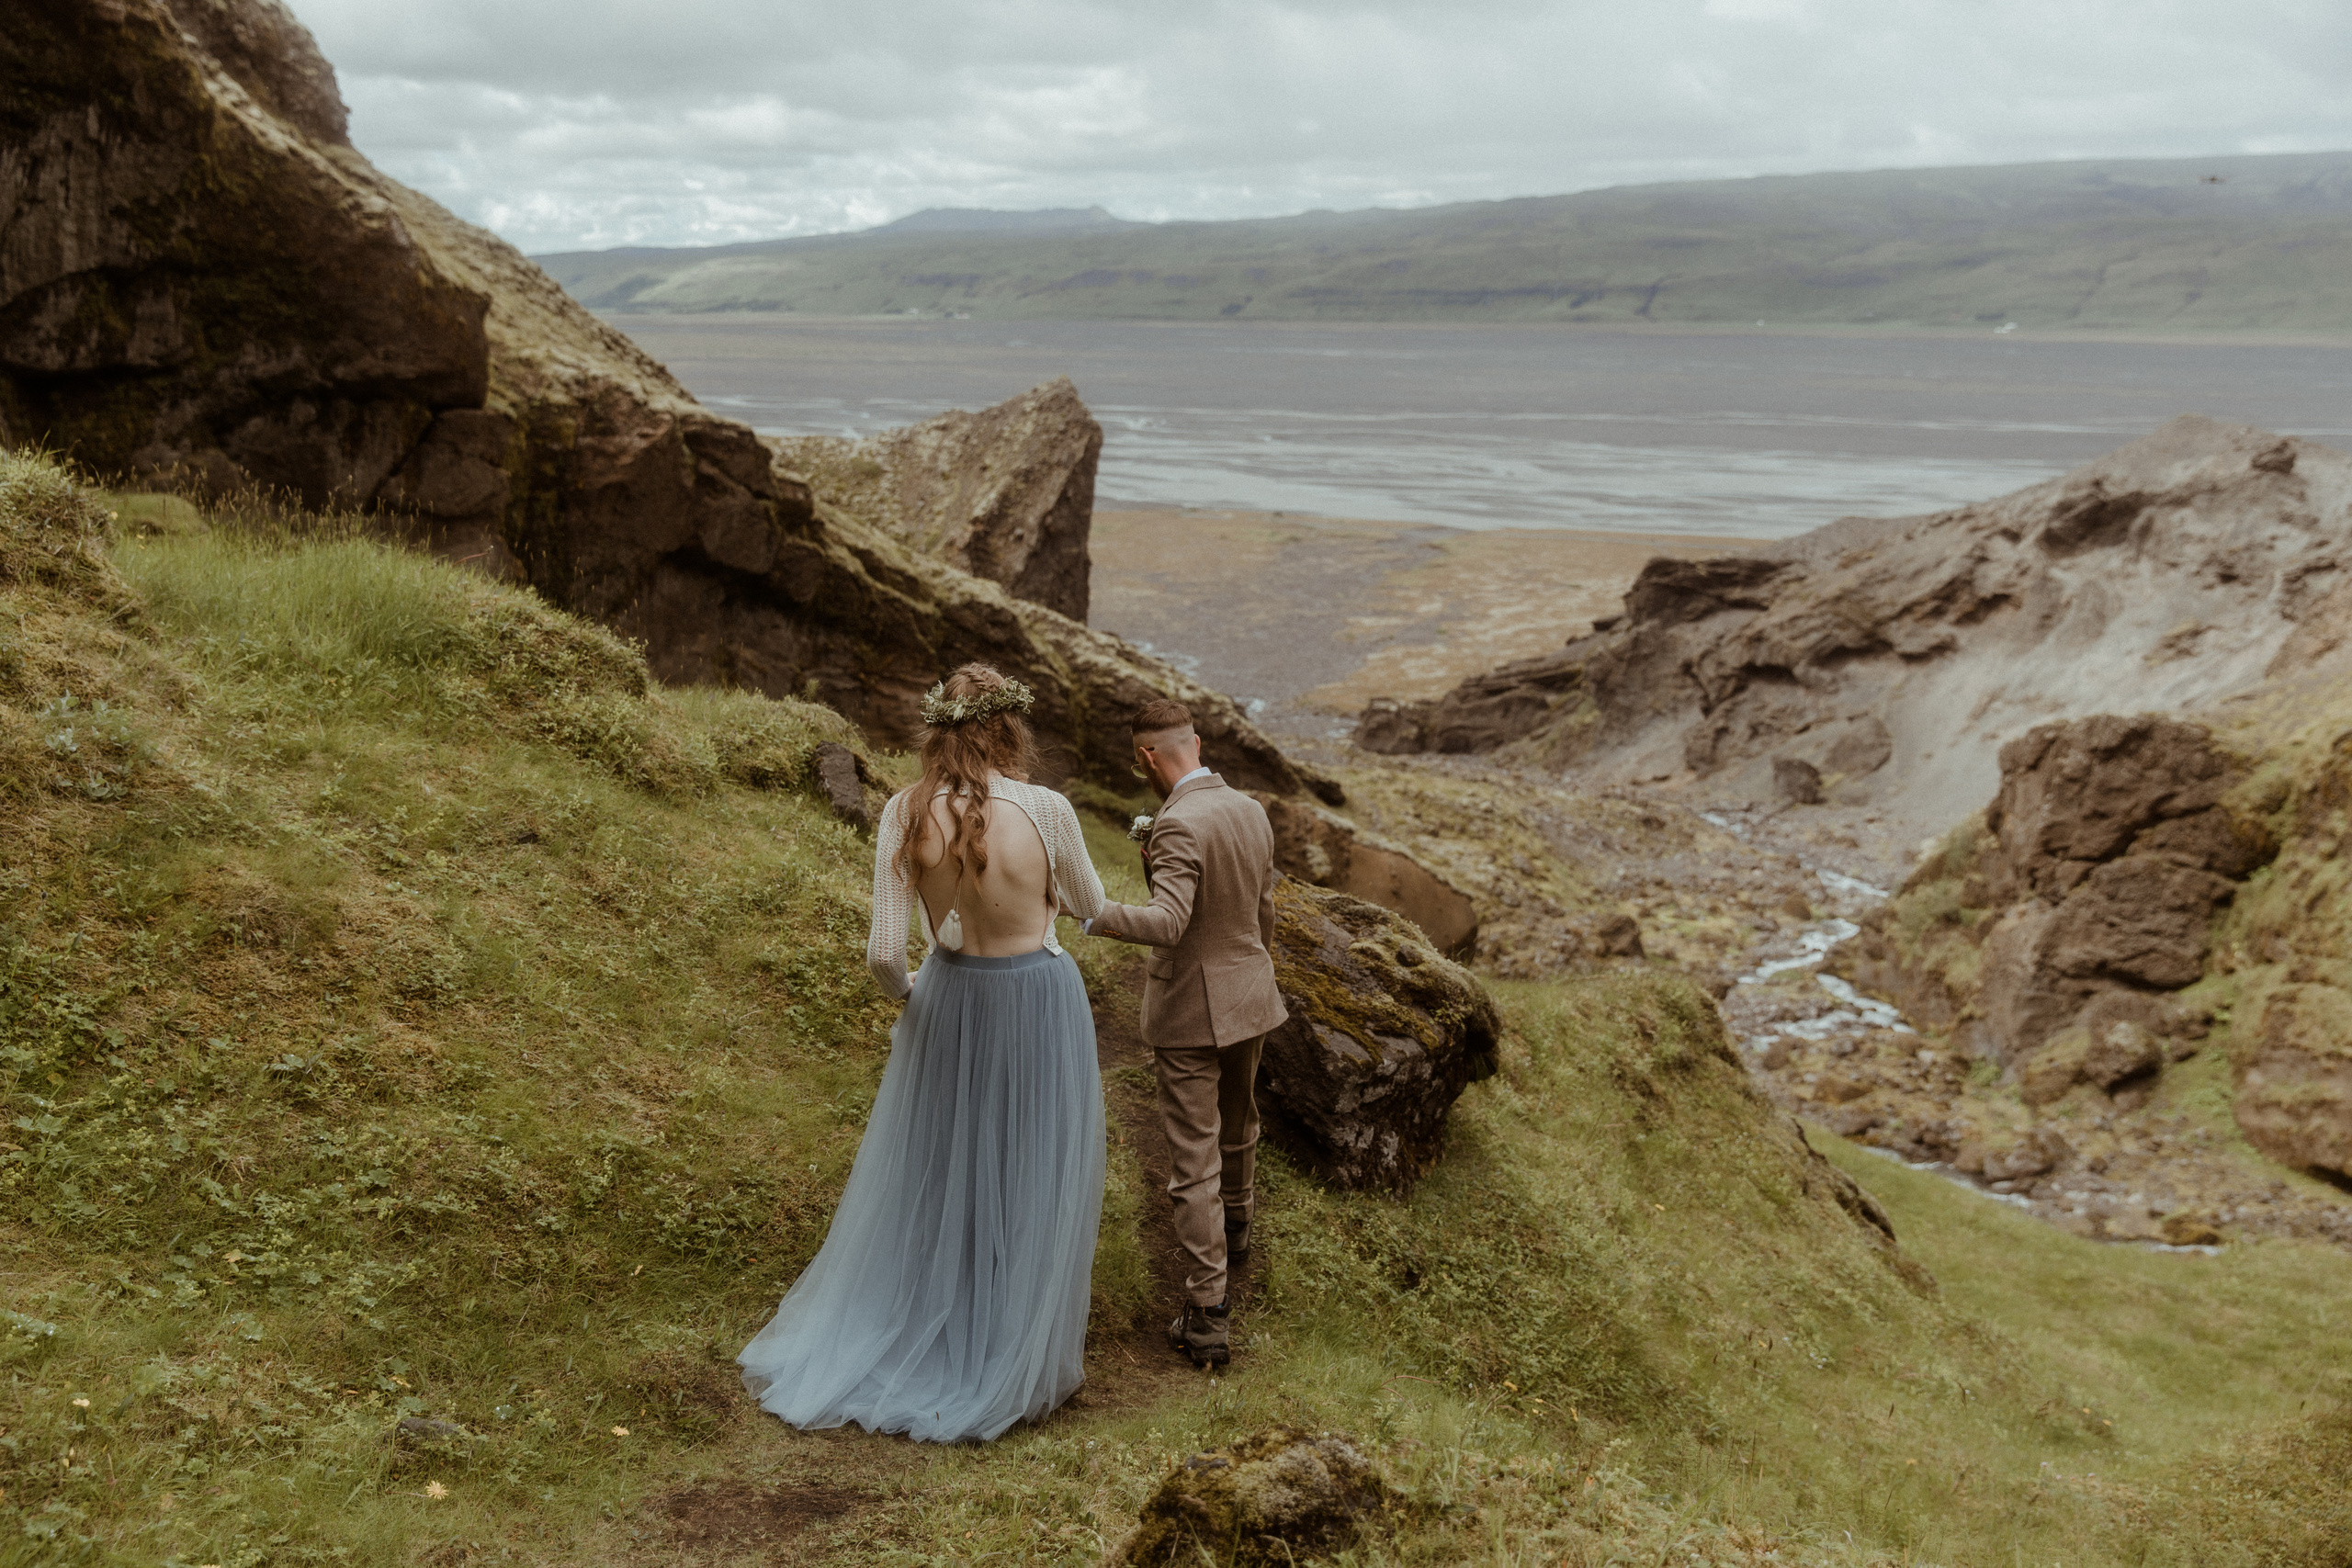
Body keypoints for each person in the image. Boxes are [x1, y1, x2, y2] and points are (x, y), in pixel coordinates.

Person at [738, 663, 1108, 1442]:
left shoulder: (905, 812)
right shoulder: (1047, 808)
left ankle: (935, 1328)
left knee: (943, 1168)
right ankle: (1009, 1349)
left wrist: (917, 995)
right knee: (1029, 1167)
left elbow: (881, 951)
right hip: (1038, 999)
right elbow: (1094, 907)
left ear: (937, 727)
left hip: (948, 996)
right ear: (1011, 727)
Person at [1084, 698, 1287, 1369]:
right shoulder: (1251, 810)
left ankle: (1207, 1312)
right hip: (1251, 994)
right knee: (1242, 1122)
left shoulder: (1175, 825)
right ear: (1194, 742)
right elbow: (1264, 913)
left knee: (1193, 1159)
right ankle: (1239, 1227)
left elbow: (1169, 922)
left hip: (1191, 1010)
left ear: (1148, 757)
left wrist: (1095, 912)